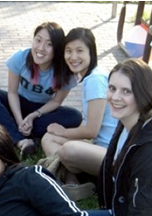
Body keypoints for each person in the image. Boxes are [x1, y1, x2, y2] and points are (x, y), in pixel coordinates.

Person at [0, 22, 82, 159]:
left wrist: (33, 116)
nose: (41, 48)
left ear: (58, 48)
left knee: (75, 116)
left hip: (41, 111)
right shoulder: (20, 58)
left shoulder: (65, 72)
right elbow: (12, 93)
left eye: (49, 44)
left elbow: (56, 101)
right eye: (38, 40)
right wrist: (20, 121)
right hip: (17, 103)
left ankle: (11, 127)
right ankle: (21, 140)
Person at [40, 28, 118, 201]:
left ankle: (76, 178)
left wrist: (64, 132)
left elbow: (91, 131)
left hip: (112, 156)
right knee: (48, 138)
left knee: (68, 148)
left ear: (92, 52)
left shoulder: (95, 80)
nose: (73, 57)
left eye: (80, 50)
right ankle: (73, 182)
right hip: (100, 148)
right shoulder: (92, 77)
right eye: (69, 51)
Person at [89, 59, 152, 216]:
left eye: (126, 91)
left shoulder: (151, 150)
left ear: (143, 94)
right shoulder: (127, 121)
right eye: (112, 88)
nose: (115, 97)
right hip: (122, 214)